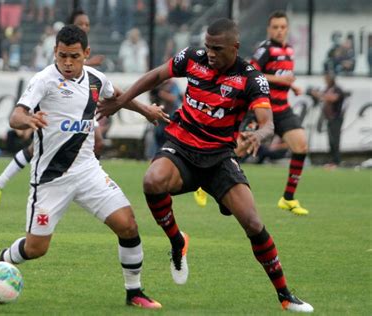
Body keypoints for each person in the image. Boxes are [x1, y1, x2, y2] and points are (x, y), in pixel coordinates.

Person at [97, 18, 313, 313]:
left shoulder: (251, 78)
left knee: (253, 223)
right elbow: (155, 76)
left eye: (217, 48)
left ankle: (286, 296)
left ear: (235, 47)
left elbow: (267, 123)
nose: (210, 53)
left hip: (220, 158)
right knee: (152, 181)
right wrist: (121, 101)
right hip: (182, 148)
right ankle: (177, 242)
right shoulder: (192, 58)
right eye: (208, 46)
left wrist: (256, 135)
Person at [0, 25, 166, 309]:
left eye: (74, 56)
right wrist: (27, 120)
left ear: (86, 54)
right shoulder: (44, 80)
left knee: (128, 225)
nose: (67, 62)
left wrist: (147, 110)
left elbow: (118, 97)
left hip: (88, 171)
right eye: (62, 55)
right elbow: (16, 115)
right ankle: (3, 260)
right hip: (51, 179)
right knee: (36, 249)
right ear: (55, 52)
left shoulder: (97, 80)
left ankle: (134, 291)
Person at [0, 9, 105, 209]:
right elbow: (60, 68)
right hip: (58, 101)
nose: (85, 27)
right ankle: (0, 182)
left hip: (80, 104)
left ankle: (1, 181)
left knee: (38, 149)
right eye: (80, 24)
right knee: (39, 149)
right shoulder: (61, 55)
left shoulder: (82, 50)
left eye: (87, 24)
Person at [250, 11, 309, 215]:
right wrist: (280, 81)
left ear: (287, 29)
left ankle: (288, 198)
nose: (279, 30)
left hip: (282, 109)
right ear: (269, 29)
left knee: (301, 145)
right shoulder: (264, 50)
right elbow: (252, 74)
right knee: (240, 149)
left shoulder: (290, 50)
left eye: (283, 27)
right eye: (275, 27)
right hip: (262, 109)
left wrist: (291, 87)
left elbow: (283, 76)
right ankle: (204, 184)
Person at [310, 72, 345, 168]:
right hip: (329, 118)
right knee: (330, 140)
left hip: (336, 118)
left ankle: (337, 161)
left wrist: (319, 94)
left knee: (335, 140)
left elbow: (333, 98)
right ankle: (333, 160)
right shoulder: (327, 89)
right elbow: (324, 97)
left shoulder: (337, 89)